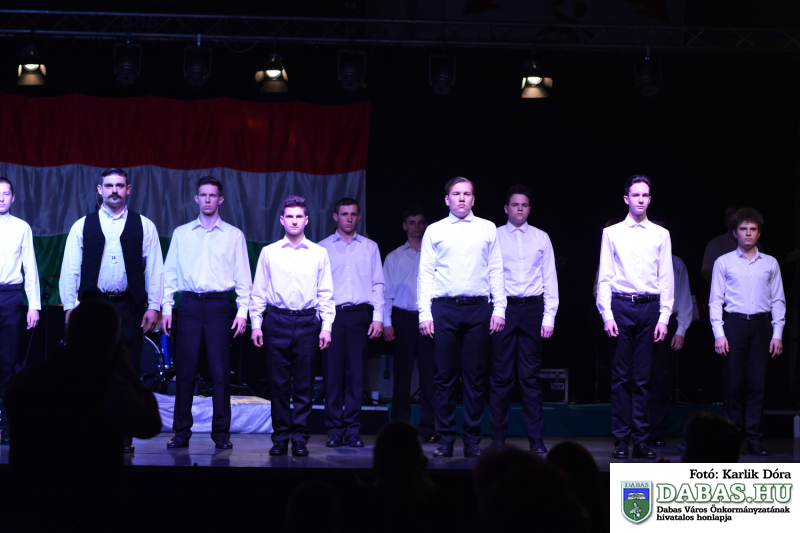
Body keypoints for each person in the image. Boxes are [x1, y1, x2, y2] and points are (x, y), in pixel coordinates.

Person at [5, 299, 161, 531]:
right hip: (93, 511)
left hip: (32, 510)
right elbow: (150, 424)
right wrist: (124, 365)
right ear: (111, 342)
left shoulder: (23, 381)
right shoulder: (108, 387)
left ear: (69, 333)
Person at [59, 168, 163, 453]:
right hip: (94, 307)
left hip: (130, 306)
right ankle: (91, 432)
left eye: (119, 185)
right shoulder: (83, 225)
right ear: (99, 189)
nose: (114, 190)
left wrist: (154, 306)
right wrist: (69, 305)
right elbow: (70, 267)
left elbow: (155, 269)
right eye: (108, 186)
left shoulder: (144, 225)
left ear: (128, 189)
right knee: (90, 369)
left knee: (128, 369)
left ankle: (124, 435)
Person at [161, 176, 252, 450]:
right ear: (196, 198)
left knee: (220, 372)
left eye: (213, 195)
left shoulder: (234, 235)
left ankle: (221, 434)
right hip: (189, 305)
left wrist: (243, 312)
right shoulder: (182, 234)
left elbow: (244, 277)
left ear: (220, 199)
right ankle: (181, 432)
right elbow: (169, 273)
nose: (208, 199)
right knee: (185, 371)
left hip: (218, 306)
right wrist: (167, 307)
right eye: (203, 195)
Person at [418, 177, 506, 459]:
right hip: (444, 308)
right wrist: (424, 313)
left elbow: (496, 269)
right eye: (456, 194)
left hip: (479, 309)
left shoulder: (487, 228)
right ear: (447, 199)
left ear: (473, 199)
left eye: (467, 194)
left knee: (475, 378)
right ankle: (445, 439)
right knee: (444, 378)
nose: (461, 198)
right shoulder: (435, 230)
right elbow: (425, 273)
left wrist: (500, 308)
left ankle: (472, 440)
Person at [596, 175, 674, 460]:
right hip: (621, 305)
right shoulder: (612, 233)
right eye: (636, 195)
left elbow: (666, 278)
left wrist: (664, 316)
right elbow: (605, 276)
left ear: (650, 199)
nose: (641, 199)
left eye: (645, 195)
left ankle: (641, 440)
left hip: (650, 307)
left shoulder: (661, 234)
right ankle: (621, 440)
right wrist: (606, 314)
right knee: (620, 377)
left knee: (643, 378)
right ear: (626, 198)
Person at [250, 195, 334, 456]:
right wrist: (256, 324)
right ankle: (280, 437)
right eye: (290, 217)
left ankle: (299, 437)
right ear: (282, 220)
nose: (294, 221)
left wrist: (327, 326)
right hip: (277, 320)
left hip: (308, 321)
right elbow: (258, 291)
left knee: (304, 384)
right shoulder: (269, 252)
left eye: (299, 216)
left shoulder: (319, 253)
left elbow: (326, 293)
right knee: (278, 384)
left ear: (306, 220)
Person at [710, 207, 785, 456]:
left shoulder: (770, 263)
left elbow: (778, 300)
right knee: (733, 384)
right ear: (735, 232)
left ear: (759, 232)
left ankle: (754, 438)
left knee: (757, 384)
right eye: (743, 229)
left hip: (761, 325)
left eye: (753, 229)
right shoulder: (724, 262)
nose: (748, 233)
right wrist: (719, 333)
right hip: (734, 324)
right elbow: (715, 300)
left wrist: (777, 333)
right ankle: (732, 437)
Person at [490, 184, 559, 454]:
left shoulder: (541, 238)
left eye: (524, 205)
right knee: (501, 377)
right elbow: (488, 275)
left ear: (529, 209)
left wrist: (549, 315)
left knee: (530, 377)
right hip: (504, 309)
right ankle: (498, 439)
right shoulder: (494, 236)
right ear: (506, 208)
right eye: (515, 204)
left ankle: (536, 440)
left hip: (532, 309)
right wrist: (494, 310)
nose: (520, 209)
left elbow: (549, 277)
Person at [319, 198, 384, 448]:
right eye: (344, 214)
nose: (349, 218)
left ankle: (353, 429)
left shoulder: (370, 247)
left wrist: (378, 317)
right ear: (335, 216)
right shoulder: (323, 248)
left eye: (353, 214)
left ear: (358, 217)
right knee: (332, 374)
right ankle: (335, 430)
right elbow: (317, 287)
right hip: (332, 317)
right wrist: (322, 321)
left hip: (359, 315)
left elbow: (378, 283)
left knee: (357, 374)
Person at [383, 207, 436, 442]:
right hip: (402, 319)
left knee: (429, 375)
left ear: (426, 225)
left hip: (428, 319)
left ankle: (429, 427)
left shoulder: (434, 255)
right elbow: (386, 294)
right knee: (402, 376)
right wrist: (387, 323)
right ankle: (400, 427)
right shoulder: (394, 257)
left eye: (420, 222)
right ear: (405, 225)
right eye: (412, 222)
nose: (416, 226)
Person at [0, 177, 40, 446]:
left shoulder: (21, 227)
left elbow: (30, 267)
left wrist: (34, 305)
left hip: (10, 297)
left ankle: (6, 425)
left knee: (7, 363)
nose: (1, 198)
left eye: (5, 194)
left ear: (13, 198)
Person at [648, 220, 693, 447]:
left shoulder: (676, 263)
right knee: (638, 376)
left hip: (668, 323)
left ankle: (657, 432)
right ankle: (637, 431)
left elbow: (684, 297)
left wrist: (681, 329)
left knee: (662, 379)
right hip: (642, 319)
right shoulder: (639, 261)